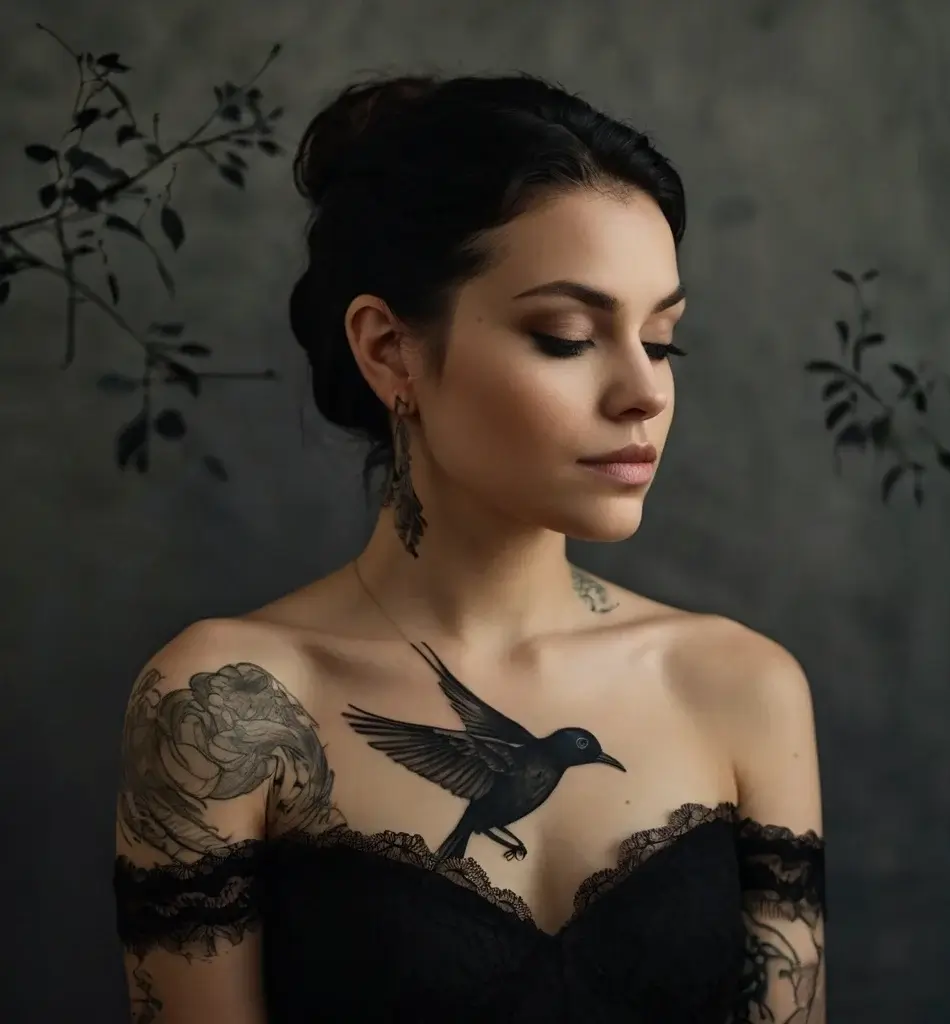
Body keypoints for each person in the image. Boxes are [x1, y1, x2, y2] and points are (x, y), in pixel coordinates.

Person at [112, 71, 825, 1023]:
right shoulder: (228, 705)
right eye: (567, 336)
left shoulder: (740, 685)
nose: (644, 393)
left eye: (661, 342)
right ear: (390, 350)